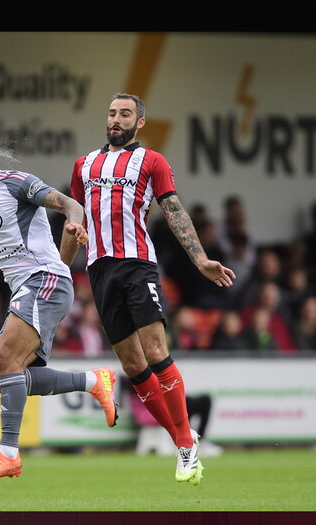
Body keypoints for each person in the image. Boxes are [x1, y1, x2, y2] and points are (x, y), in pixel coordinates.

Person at [69, 93, 236, 485]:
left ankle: (185, 443)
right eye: (112, 113)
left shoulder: (152, 161)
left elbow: (173, 210)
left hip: (137, 264)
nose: (116, 119)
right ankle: (182, 441)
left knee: (157, 351)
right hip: (99, 269)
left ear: (139, 122)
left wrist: (200, 260)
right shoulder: (83, 165)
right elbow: (75, 217)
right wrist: (63, 265)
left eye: (125, 114)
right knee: (132, 366)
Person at [0, 142, 119, 483]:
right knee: (2, 378)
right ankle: (93, 381)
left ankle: (8, 454)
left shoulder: (14, 183)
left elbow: (70, 204)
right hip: (28, 288)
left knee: (6, 358)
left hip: (43, 279)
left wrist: (74, 224)